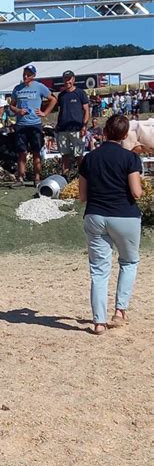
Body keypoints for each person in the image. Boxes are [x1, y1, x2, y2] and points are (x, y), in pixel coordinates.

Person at [78, 115, 143, 335]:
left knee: (99, 271)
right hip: (124, 215)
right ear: (125, 134)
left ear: (105, 131)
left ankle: (99, 322)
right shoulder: (130, 158)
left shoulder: (89, 158)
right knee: (129, 261)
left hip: (95, 215)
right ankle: (120, 311)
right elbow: (136, 192)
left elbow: (82, 196)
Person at [10, 65, 57, 186]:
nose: (26, 76)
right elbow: (11, 105)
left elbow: (53, 99)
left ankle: (37, 178)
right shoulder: (17, 88)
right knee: (21, 152)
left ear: (34, 76)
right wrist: (18, 111)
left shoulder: (39, 87)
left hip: (35, 124)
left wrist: (44, 113)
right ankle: (20, 178)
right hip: (21, 124)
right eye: (24, 74)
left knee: (36, 152)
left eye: (28, 74)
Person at [38, 70, 89, 176]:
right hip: (62, 129)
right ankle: (65, 177)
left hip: (77, 128)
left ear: (73, 79)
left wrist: (84, 126)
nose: (67, 81)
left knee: (79, 155)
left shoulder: (80, 93)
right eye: (65, 79)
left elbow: (86, 111)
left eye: (69, 79)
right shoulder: (61, 95)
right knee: (64, 155)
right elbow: (59, 111)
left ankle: (82, 177)